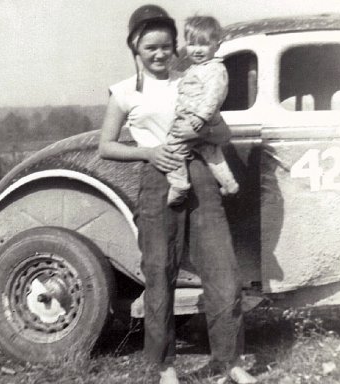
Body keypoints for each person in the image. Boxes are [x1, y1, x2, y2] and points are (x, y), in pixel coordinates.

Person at [99, 5, 257, 384]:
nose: (159, 54)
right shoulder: (123, 93)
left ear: (176, 47)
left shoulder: (193, 78)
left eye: (166, 46)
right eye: (150, 47)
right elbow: (106, 146)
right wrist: (147, 151)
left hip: (201, 177)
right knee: (159, 274)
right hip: (156, 181)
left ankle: (230, 361)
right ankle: (165, 366)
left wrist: (200, 132)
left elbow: (221, 133)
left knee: (224, 273)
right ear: (135, 47)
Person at [166, 16, 239, 206]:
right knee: (212, 154)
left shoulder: (214, 69)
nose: (197, 50)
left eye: (204, 44)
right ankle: (229, 184)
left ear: (217, 45)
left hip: (197, 118)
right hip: (198, 119)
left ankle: (179, 183)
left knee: (174, 147)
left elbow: (214, 95)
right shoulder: (196, 68)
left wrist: (201, 116)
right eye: (191, 44)